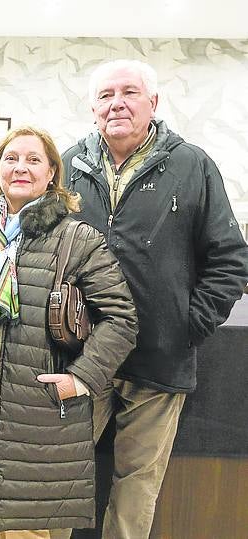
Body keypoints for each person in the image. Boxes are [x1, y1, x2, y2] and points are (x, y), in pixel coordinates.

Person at [62, 59, 248, 539]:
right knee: (59, 478)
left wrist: (187, 323)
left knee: (136, 487)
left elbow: (229, 258)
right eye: (106, 95)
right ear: (92, 106)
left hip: (160, 359)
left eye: (129, 92)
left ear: (154, 103)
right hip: (83, 356)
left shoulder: (192, 164)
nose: (117, 103)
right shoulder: (67, 165)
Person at [0, 125, 138, 538]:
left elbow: (121, 319)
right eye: (11, 159)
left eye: (33, 160)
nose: (21, 168)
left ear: (51, 175)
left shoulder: (76, 239)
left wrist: (80, 379)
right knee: (10, 527)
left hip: (43, 413)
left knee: (32, 531)